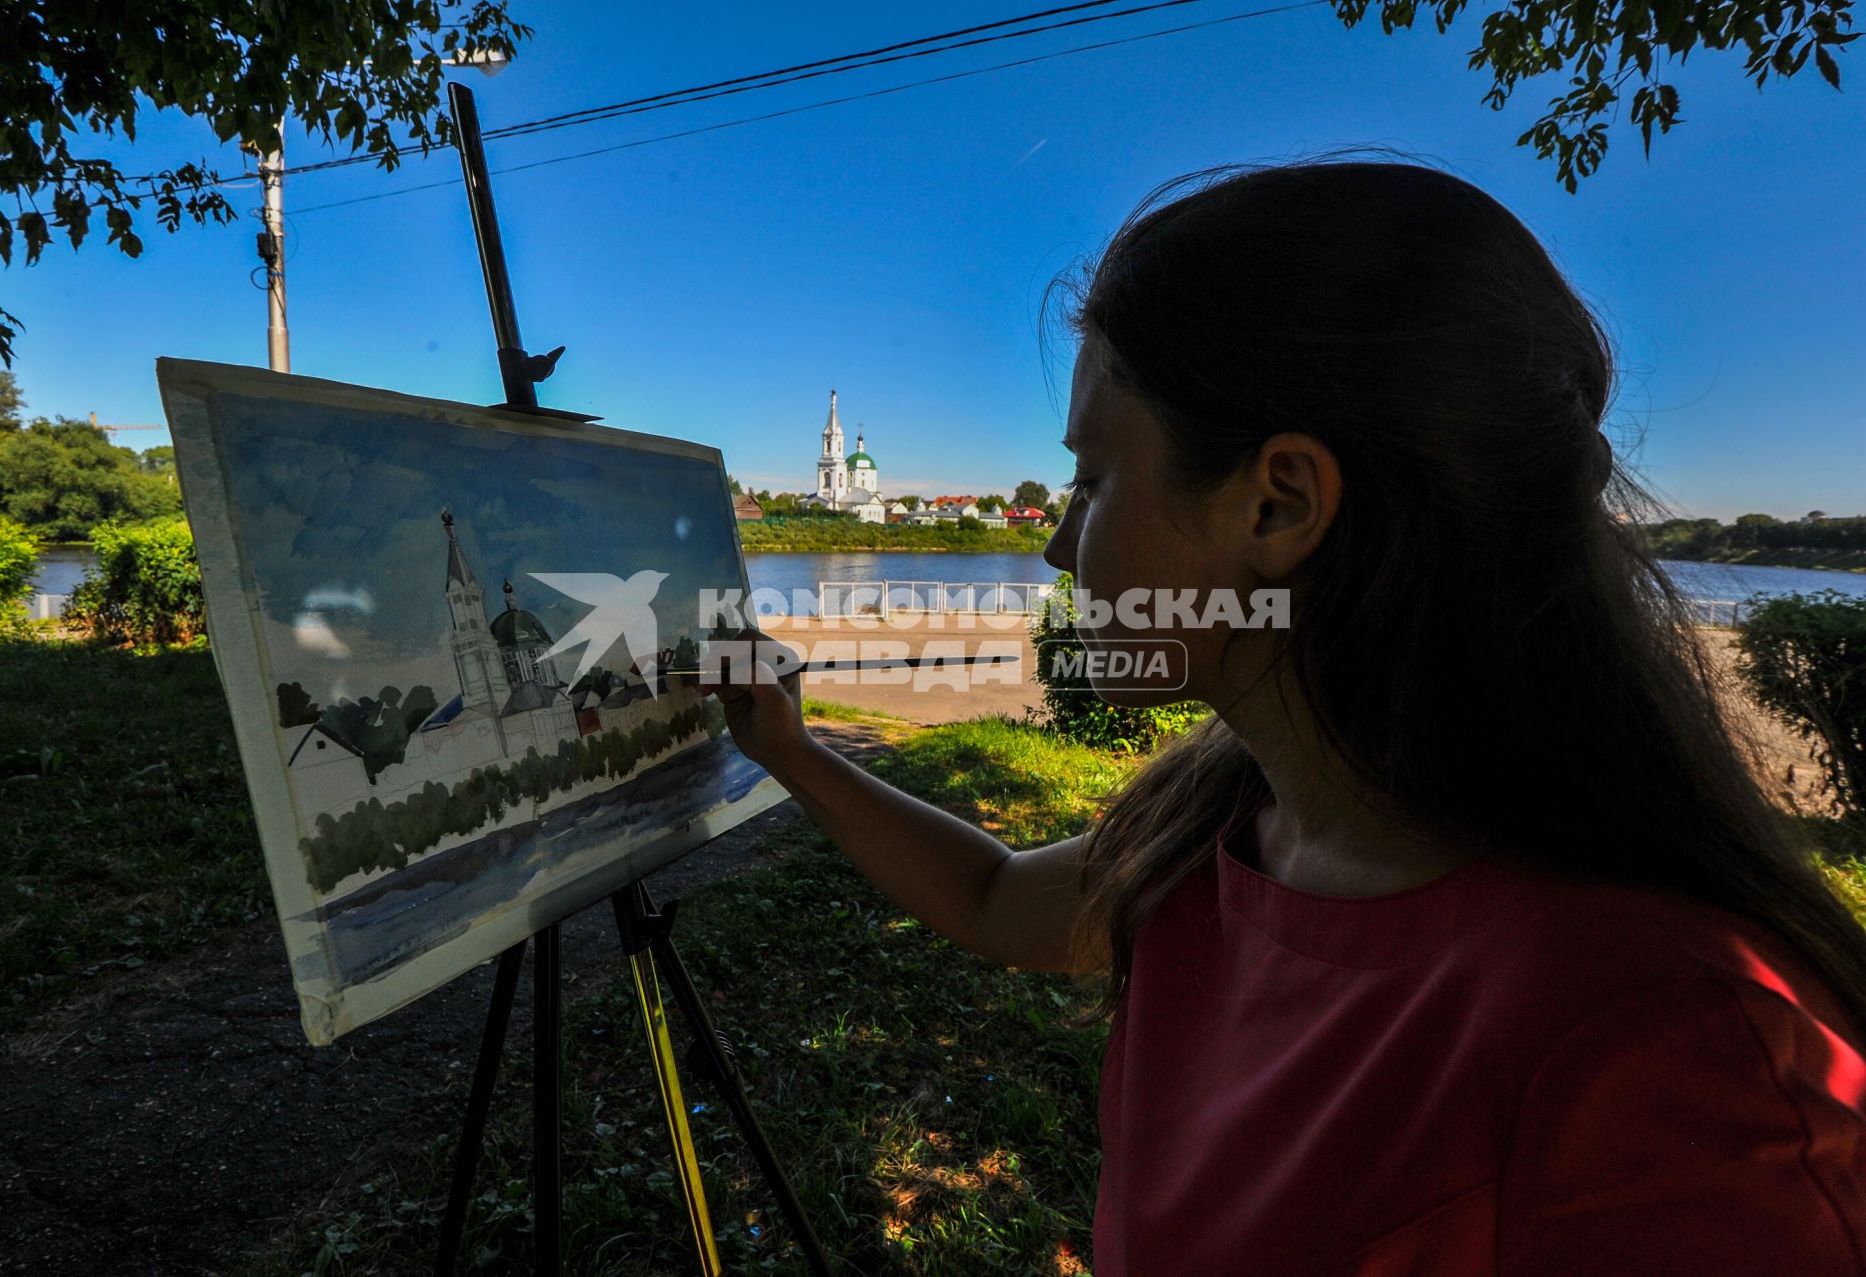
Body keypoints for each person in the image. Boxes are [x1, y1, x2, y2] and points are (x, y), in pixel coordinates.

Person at [708, 157, 1866, 1274]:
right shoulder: (1230, 820)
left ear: (1280, 503)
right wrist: (793, 753)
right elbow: (998, 898)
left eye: (1095, 480)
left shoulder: (1675, 1070)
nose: (1059, 544)